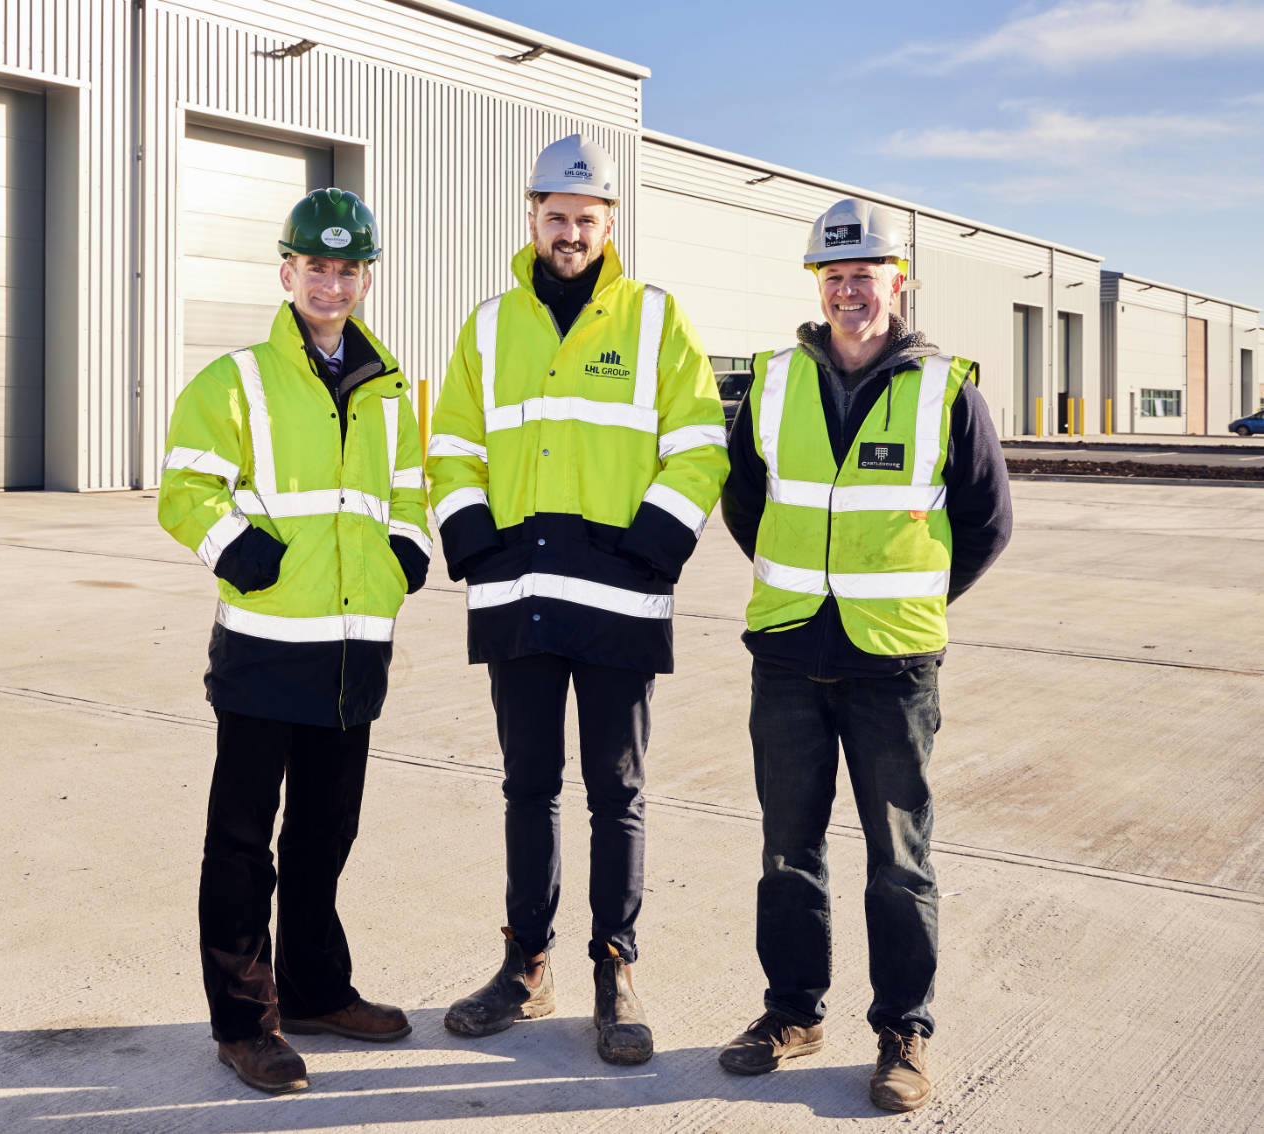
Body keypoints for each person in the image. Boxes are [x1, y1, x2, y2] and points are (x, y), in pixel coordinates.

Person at [425, 135, 729, 1066]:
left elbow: (702, 442)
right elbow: (450, 444)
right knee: (528, 788)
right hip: (518, 595)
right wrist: (472, 538)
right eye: (554, 217)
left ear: (609, 225)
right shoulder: (487, 326)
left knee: (617, 792)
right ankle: (525, 965)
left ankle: (614, 970)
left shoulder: (656, 321)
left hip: (618, 600)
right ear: (531, 217)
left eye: (584, 220)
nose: (568, 233)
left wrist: (657, 542)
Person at [716, 198, 1012, 1111]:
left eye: (866, 275)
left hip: (894, 666)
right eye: (834, 276)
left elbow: (986, 524)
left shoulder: (946, 389)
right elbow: (744, 502)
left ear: (898, 282)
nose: (850, 292)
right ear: (819, 284)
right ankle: (794, 1013)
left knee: (900, 856)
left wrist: (910, 597)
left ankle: (903, 1032)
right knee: (787, 849)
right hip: (789, 654)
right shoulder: (771, 382)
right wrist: (804, 588)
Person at [157, 188, 431, 1095]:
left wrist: (407, 551)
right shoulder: (235, 380)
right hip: (268, 647)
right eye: (317, 266)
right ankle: (245, 1023)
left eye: (349, 269)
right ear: (289, 272)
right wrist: (243, 551)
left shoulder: (391, 389)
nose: (333, 283)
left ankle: (316, 989)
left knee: (325, 833)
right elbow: (186, 489)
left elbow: (410, 490)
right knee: (242, 845)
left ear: (365, 280)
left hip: (355, 650)